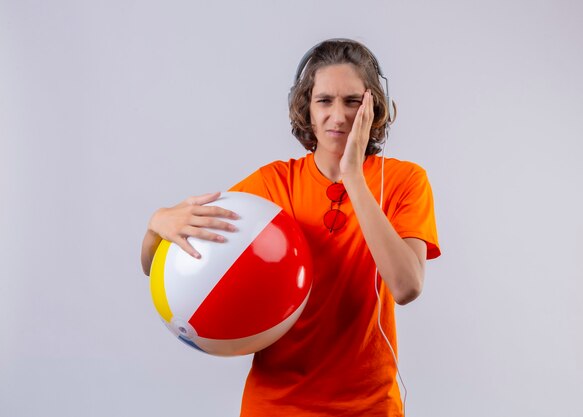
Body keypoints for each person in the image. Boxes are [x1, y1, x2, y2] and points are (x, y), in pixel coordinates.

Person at [141, 38, 440, 417]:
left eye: (352, 102)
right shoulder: (272, 185)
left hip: (369, 406)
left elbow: (407, 286)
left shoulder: (403, 180)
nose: (338, 115)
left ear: (373, 107)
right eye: (324, 101)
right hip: (277, 404)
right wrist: (157, 225)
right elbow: (156, 265)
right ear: (307, 109)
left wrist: (353, 176)